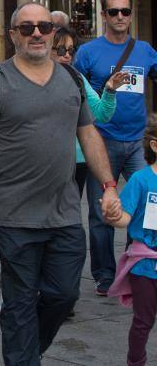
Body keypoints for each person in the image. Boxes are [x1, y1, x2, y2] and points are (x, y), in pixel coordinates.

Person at [0, 2, 119, 366]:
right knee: (19, 303)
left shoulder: (72, 80)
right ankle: (23, 357)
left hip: (63, 212)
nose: (37, 33)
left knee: (63, 295)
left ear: (53, 32)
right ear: (13, 34)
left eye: (44, 27)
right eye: (27, 27)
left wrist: (109, 184)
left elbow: (89, 134)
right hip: (12, 214)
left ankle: (26, 350)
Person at [74, 0, 157, 296]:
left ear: (131, 14)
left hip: (138, 142)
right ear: (103, 15)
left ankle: (142, 268)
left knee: (148, 206)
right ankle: (105, 275)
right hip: (102, 142)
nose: (120, 17)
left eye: (125, 11)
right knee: (102, 213)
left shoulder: (145, 50)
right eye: (113, 12)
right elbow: (74, 89)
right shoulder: (88, 52)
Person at [105, 115, 157, 366]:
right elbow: (125, 217)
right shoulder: (141, 179)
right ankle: (136, 362)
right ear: (155, 146)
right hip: (146, 264)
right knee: (143, 320)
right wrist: (115, 216)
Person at [51, 27, 124, 198]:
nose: (67, 55)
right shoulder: (33, 79)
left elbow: (101, 115)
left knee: (70, 209)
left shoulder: (77, 78)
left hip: (77, 159)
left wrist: (110, 91)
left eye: (71, 50)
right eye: (61, 49)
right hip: (47, 159)